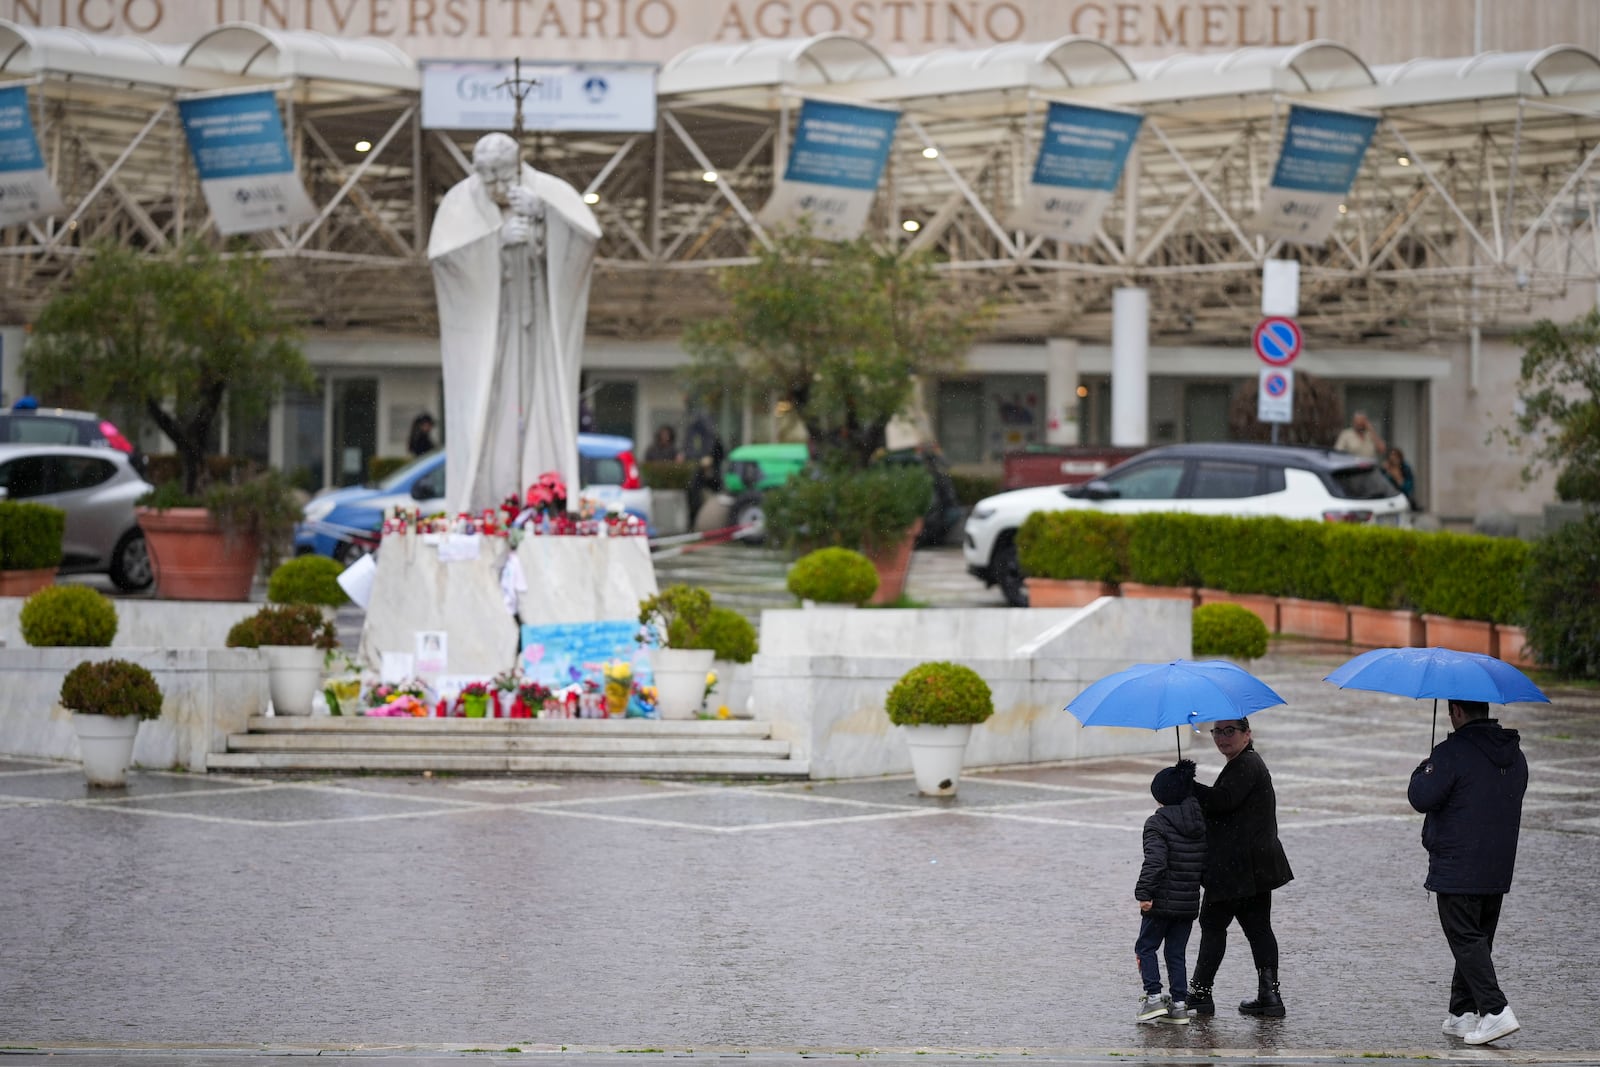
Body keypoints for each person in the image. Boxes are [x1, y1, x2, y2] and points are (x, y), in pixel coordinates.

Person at [428, 132, 600, 515]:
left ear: (518, 168)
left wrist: (545, 217)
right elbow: (444, 260)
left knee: (544, 401)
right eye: (486, 179)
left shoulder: (549, 192)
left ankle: (545, 498)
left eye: (503, 177)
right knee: (490, 407)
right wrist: (496, 243)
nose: (496, 188)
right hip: (491, 328)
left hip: (538, 323)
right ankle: (488, 500)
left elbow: (586, 239)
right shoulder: (460, 202)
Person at [1408, 698, 1528, 1046]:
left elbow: (1420, 797)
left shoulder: (1451, 753)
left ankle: (1495, 1010)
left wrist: (1425, 768)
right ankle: (1461, 1014)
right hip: (1498, 867)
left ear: (1456, 712)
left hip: (1459, 865)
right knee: (1476, 940)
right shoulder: (1515, 755)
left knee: (1465, 938)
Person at [1186, 717, 1294, 1018]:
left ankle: (1199, 993)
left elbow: (1222, 801)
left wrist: (1188, 785)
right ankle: (1269, 995)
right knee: (1258, 929)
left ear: (1247, 734)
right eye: (1217, 731)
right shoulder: (1243, 763)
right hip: (1251, 866)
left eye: (1230, 731)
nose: (1222, 737)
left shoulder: (1246, 764)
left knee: (1213, 926)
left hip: (1236, 868)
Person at [1134, 759, 1206, 1025]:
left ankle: (1153, 998)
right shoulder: (1198, 822)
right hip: (1187, 903)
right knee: (1176, 953)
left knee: (1146, 947)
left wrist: (1144, 893)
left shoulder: (1157, 823)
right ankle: (1178, 1005)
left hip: (1161, 901)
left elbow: (1155, 861)